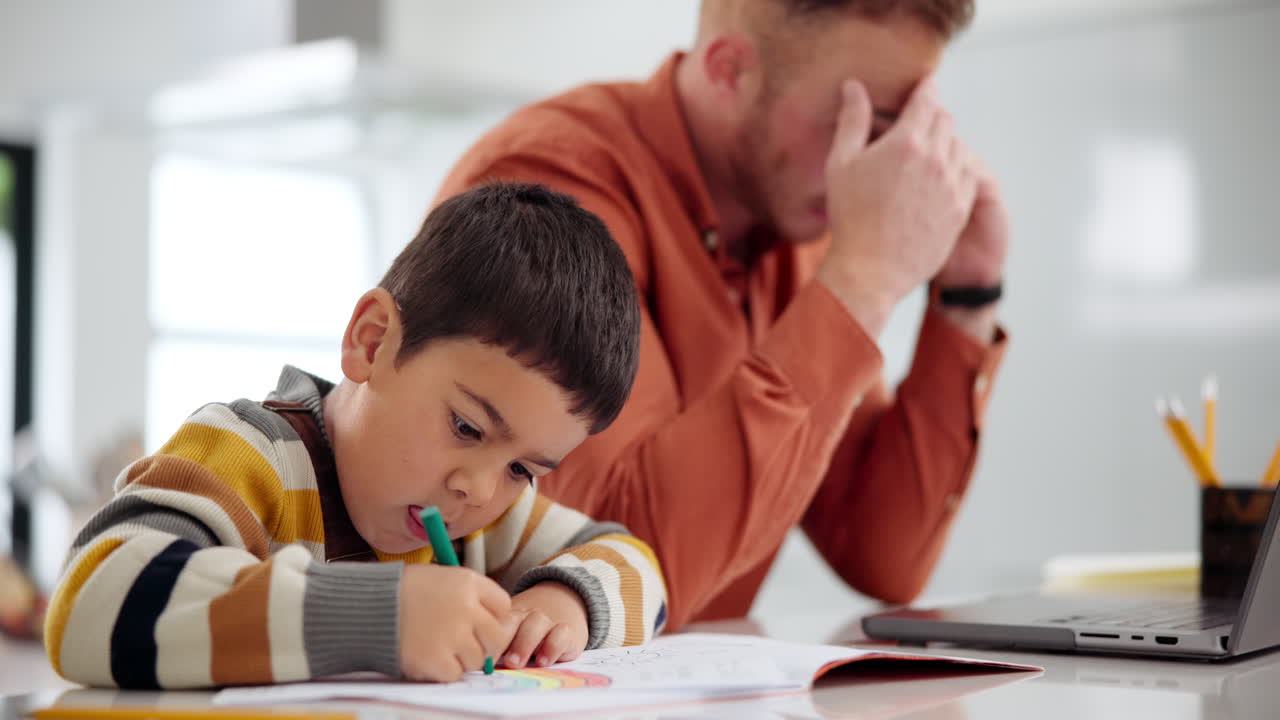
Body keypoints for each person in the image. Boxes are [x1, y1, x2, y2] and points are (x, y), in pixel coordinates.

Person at [436, 0, 1009, 629]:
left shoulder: (801, 226)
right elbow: (616, 557)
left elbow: (882, 557)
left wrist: (968, 292)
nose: (879, 162)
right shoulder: (549, 190)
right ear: (731, 70)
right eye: (861, 120)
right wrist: (863, 281)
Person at [43, 183, 667, 688]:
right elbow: (89, 604)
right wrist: (379, 617)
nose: (477, 489)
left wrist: (565, 603)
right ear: (372, 342)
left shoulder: (480, 521)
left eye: (523, 470)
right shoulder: (247, 454)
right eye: (466, 427)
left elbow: (639, 568)